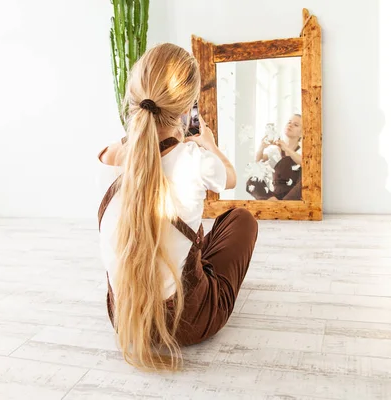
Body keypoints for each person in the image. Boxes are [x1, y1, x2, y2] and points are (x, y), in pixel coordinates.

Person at [96, 43, 258, 372]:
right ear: (186, 108)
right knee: (240, 219)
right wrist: (210, 146)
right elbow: (230, 179)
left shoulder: (109, 158)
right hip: (188, 321)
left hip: (123, 316)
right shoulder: (196, 161)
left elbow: (129, 152)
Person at [247, 114, 303, 200]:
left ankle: (281, 205)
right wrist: (262, 147)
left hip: (293, 196)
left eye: (296, 125)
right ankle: (274, 203)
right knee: (252, 180)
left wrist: (287, 149)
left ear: (301, 133)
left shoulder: (303, 151)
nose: (290, 125)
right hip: (276, 196)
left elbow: (305, 163)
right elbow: (258, 161)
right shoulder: (276, 151)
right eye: (289, 122)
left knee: (306, 180)